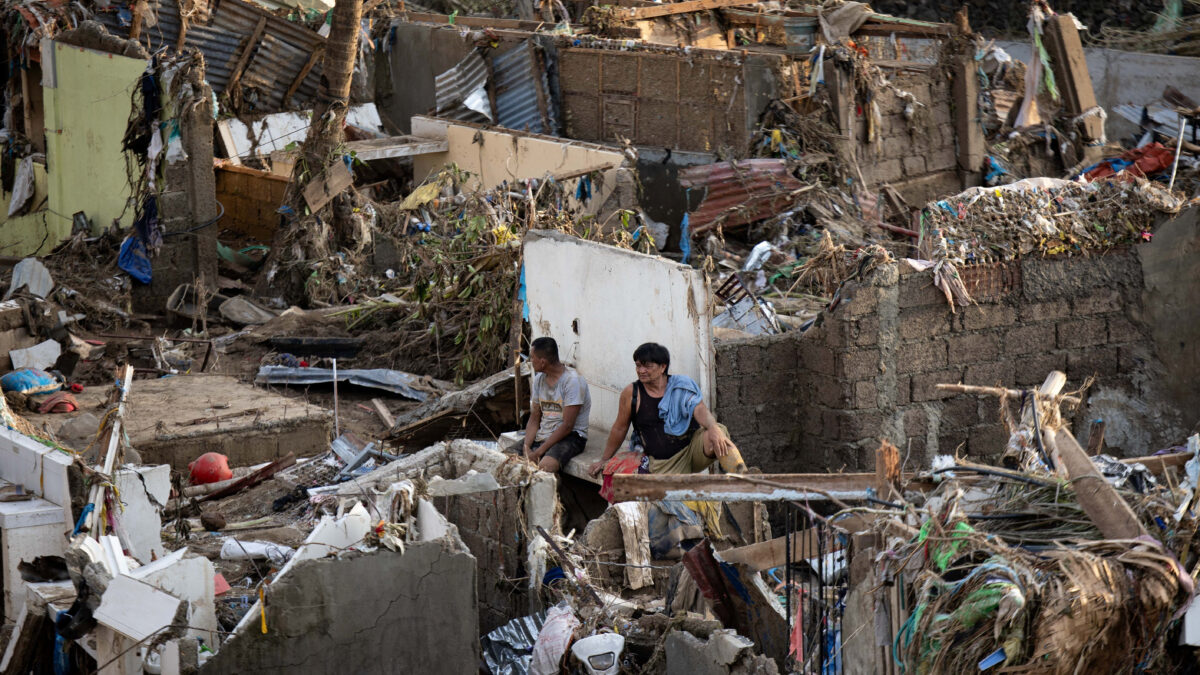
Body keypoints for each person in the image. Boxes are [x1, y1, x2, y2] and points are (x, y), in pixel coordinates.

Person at [588, 342, 745, 478]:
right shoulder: (631, 393)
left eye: (647, 366)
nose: (641, 370)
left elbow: (700, 409)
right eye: (638, 365)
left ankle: (743, 476)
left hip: (691, 452)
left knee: (719, 431)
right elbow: (620, 428)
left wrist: (713, 428)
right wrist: (604, 459)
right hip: (662, 465)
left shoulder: (680, 386)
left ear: (663, 367)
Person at [523, 337, 592, 473]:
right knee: (506, 458)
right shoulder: (538, 380)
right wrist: (526, 447)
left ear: (543, 362)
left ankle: (556, 492)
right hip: (545, 433)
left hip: (572, 436)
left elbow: (567, 426)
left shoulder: (572, 381)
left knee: (545, 467)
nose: (530, 361)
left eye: (532, 357)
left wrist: (538, 452)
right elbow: (535, 417)